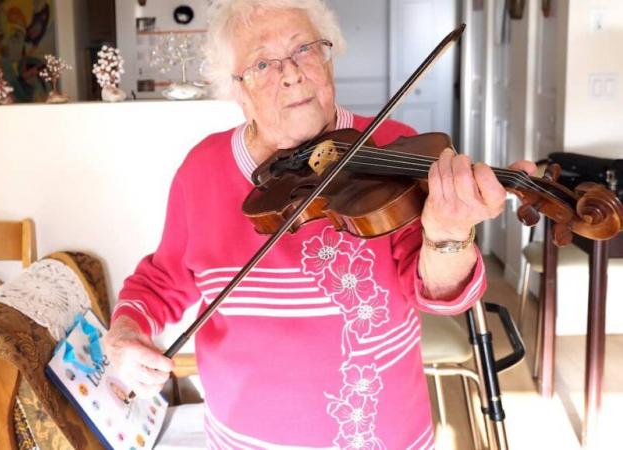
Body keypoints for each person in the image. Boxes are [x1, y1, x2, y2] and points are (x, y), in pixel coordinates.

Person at [105, 1, 536, 448]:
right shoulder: (202, 170)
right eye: (263, 63)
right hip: (244, 438)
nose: (291, 73)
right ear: (236, 89)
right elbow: (162, 280)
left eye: (305, 49)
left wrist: (449, 235)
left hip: (381, 436)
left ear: (329, 56)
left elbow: (440, 294)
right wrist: (126, 334)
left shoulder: (394, 148)